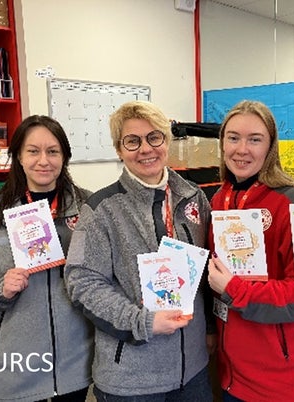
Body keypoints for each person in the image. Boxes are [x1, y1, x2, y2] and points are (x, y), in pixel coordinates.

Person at [64, 100, 214, 402]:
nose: (146, 149)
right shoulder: (101, 210)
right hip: (132, 381)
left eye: (154, 137)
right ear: (119, 150)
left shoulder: (194, 197)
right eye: (132, 141)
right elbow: (82, 284)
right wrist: (142, 322)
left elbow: (207, 272)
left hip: (193, 371)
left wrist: (209, 328)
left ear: (166, 141)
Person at [0, 115, 93, 402]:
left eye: (53, 151)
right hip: (17, 367)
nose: (43, 161)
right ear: (18, 156)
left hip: (77, 365)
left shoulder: (89, 207)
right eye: (33, 151)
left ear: (64, 157)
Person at [207, 100, 294, 402]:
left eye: (255, 139)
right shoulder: (219, 199)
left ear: (270, 146)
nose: (242, 149)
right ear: (222, 143)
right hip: (233, 377)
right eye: (233, 138)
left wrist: (235, 290)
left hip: (285, 384)